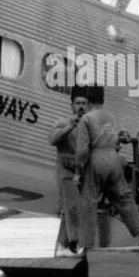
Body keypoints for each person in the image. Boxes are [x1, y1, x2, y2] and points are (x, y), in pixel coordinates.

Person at [72, 86, 139, 250]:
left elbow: (82, 151)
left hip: (96, 160)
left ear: (88, 100)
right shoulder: (111, 117)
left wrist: (78, 172)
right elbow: (116, 139)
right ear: (103, 99)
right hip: (113, 160)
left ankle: (86, 247)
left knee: (89, 203)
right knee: (124, 199)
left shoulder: (86, 119)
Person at [48, 87, 88, 253]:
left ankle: (62, 246)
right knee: (72, 208)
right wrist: (69, 127)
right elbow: (53, 139)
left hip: (83, 171)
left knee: (74, 209)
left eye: (84, 103)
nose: (81, 106)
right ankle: (74, 244)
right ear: (72, 105)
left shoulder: (90, 125)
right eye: (77, 103)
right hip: (66, 171)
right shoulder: (63, 122)